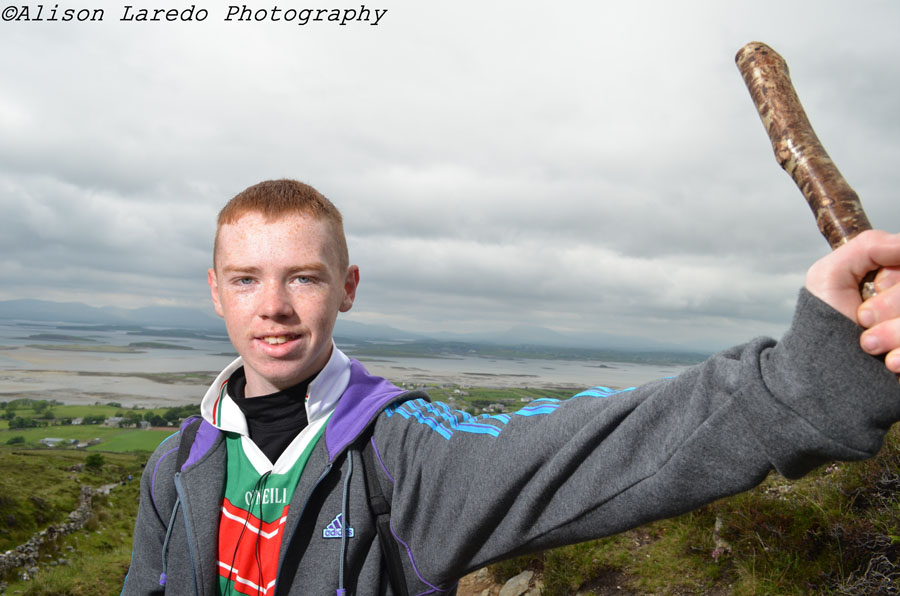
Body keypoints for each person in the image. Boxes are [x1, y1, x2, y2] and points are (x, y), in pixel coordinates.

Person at [121, 178, 900, 596]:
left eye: (304, 277)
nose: (275, 307)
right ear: (215, 293)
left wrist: (814, 369)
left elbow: (606, 445)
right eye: (246, 279)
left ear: (347, 287)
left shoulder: (404, 455)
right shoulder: (178, 466)